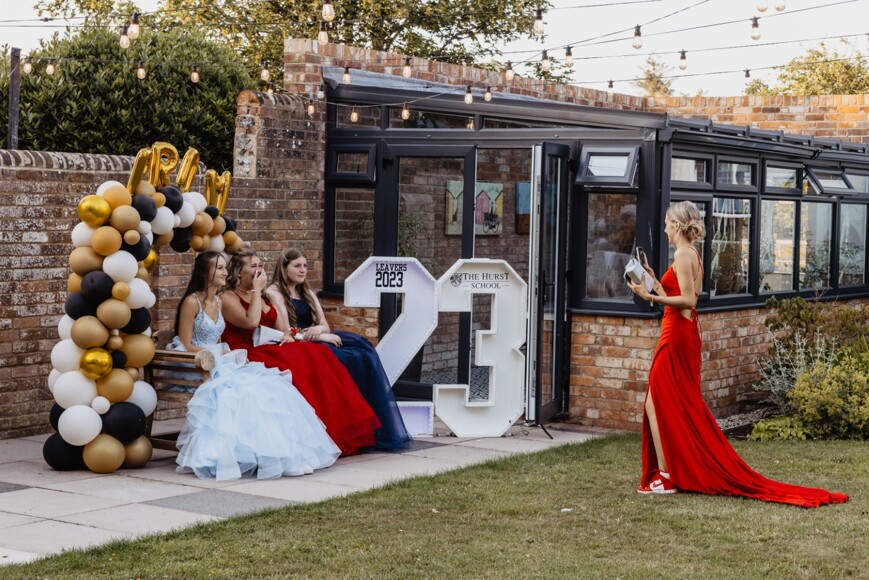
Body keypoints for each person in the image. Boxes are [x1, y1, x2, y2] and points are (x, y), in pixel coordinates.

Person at [627, 201, 848, 508]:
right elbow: (677, 296)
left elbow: (689, 301)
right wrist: (653, 280)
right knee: (661, 401)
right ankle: (667, 472)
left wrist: (649, 297)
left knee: (661, 401)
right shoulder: (690, 254)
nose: (664, 227)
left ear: (677, 225)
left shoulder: (683, 254)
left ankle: (666, 476)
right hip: (678, 331)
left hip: (676, 334)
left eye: (666, 222)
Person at [169, 251, 341, 481]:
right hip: (197, 363)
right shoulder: (192, 302)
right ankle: (221, 455)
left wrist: (227, 353)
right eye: (219, 268)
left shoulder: (218, 301)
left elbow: (219, 338)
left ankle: (279, 455)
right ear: (205, 272)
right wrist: (219, 354)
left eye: (225, 267)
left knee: (272, 386)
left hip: (220, 360)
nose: (225, 272)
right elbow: (185, 343)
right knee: (242, 393)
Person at [221, 249, 381, 456]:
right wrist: (256, 292)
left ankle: (339, 429)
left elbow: (283, 328)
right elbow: (250, 322)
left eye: (261, 265)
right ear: (238, 271)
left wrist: (288, 335)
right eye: (253, 266)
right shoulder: (229, 296)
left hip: (270, 345)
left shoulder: (264, 296)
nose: (259, 270)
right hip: (246, 351)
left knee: (318, 355)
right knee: (304, 360)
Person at [267, 248, 412, 451]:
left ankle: (370, 427)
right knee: (341, 358)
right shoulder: (274, 293)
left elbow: (324, 324)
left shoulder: (307, 292)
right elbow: (285, 331)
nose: (303, 270)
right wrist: (320, 336)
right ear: (284, 268)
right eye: (297, 266)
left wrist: (318, 331)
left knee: (362, 352)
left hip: (314, 339)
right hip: (297, 344)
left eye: (305, 266)